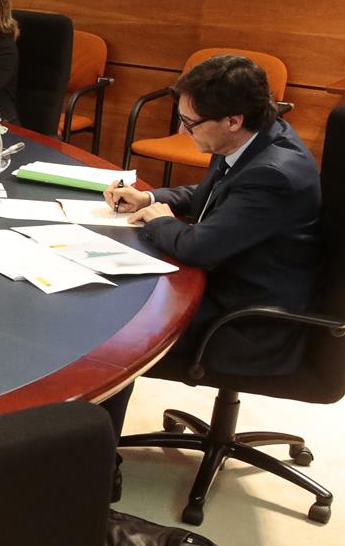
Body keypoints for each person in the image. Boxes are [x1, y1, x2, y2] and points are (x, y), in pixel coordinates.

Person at [104, 53, 321, 388]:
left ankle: (97, 439)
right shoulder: (256, 137)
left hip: (244, 323)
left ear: (232, 120)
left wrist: (160, 221)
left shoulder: (273, 174)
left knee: (117, 332)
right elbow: (217, 194)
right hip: (225, 285)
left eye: (189, 123)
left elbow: (198, 248)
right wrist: (151, 198)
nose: (181, 130)